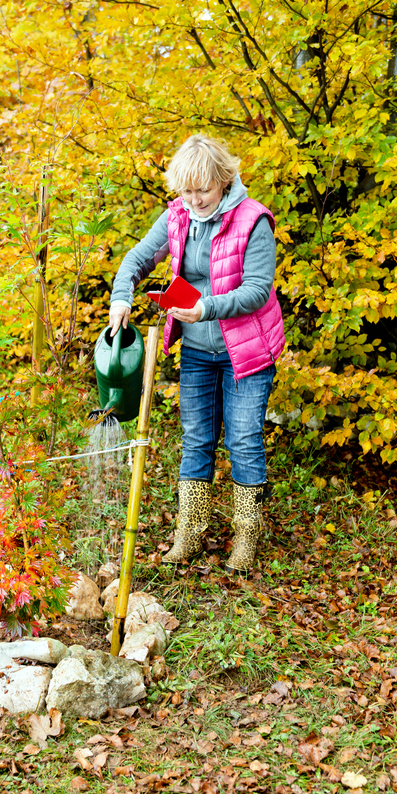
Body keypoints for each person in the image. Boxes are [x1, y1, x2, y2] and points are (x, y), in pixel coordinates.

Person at [107, 134, 284, 573]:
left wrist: (206, 307)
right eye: (185, 191)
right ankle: (190, 529)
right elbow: (136, 260)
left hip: (247, 351)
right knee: (197, 438)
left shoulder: (253, 220)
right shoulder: (178, 215)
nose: (194, 199)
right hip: (198, 353)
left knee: (243, 440)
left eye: (201, 189)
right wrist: (121, 297)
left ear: (223, 180)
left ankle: (246, 535)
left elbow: (258, 291)